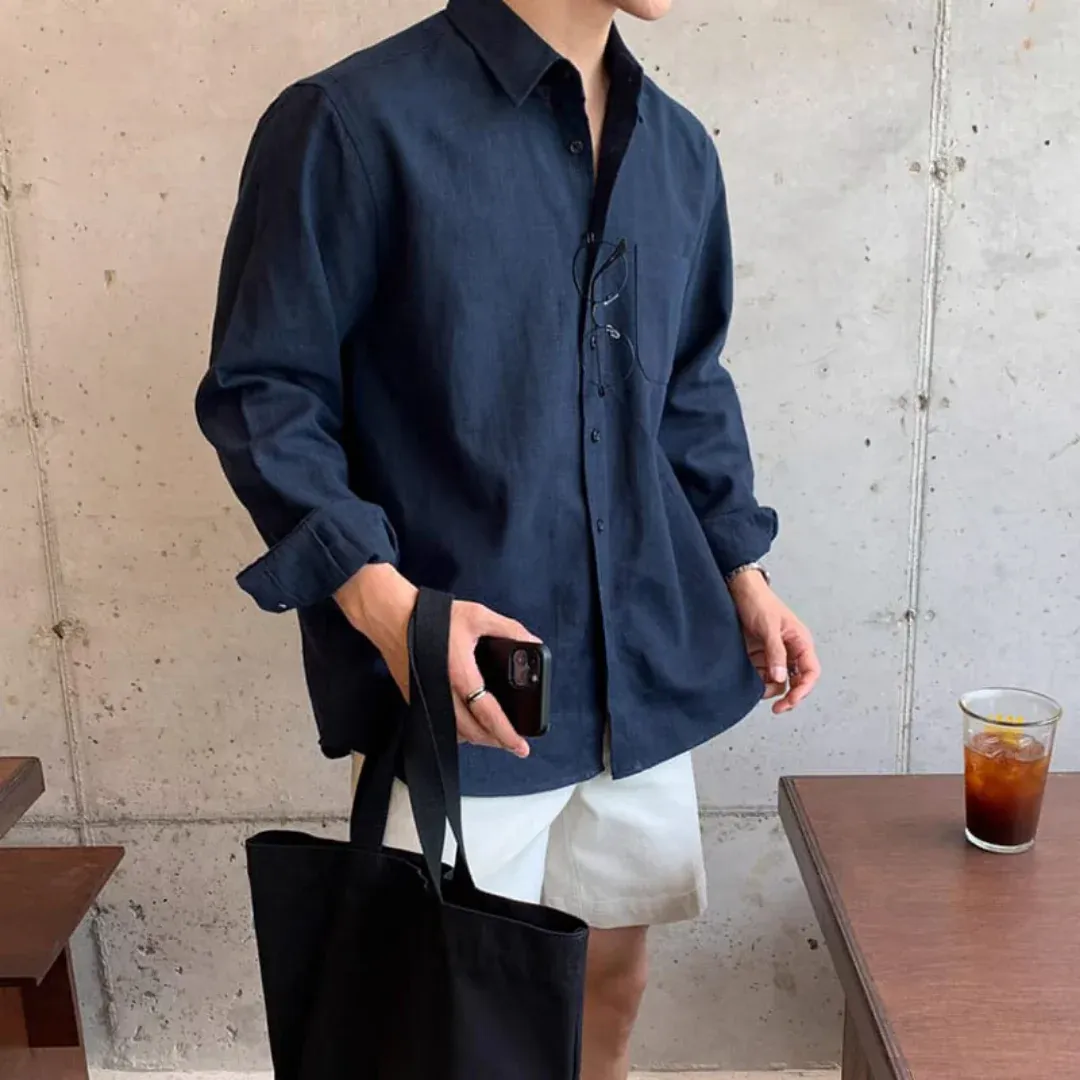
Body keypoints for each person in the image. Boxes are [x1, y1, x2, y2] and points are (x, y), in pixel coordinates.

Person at [195, 0, 821, 1076]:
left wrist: (741, 567)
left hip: (641, 666)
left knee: (610, 980)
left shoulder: (675, 147)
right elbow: (266, 392)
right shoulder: (353, 121)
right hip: (469, 676)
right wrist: (387, 609)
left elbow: (686, 385)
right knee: (445, 1030)